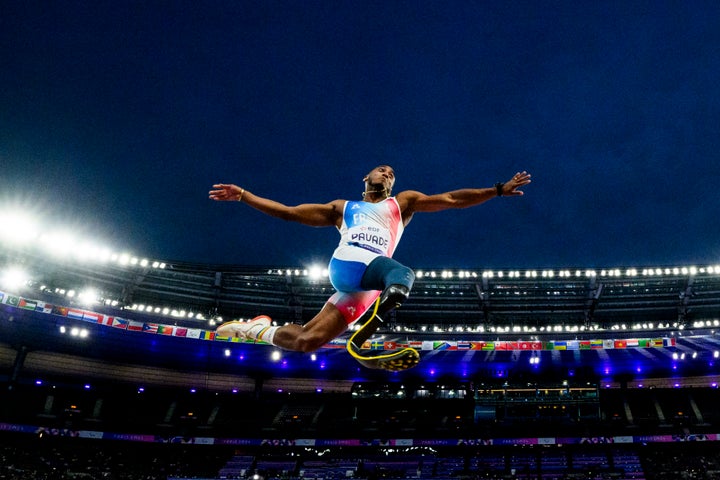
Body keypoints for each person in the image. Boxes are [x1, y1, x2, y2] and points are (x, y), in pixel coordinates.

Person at [209, 166, 531, 353]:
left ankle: (254, 329)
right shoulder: (343, 207)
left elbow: (450, 199)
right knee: (402, 275)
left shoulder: (402, 204)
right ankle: (387, 306)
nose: (388, 174)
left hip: (368, 286)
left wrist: (497, 189)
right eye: (382, 170)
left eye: (392, 174)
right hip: (349, 263)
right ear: (367, 177)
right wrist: (244, 196)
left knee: (308, 341)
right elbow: (290, 213)